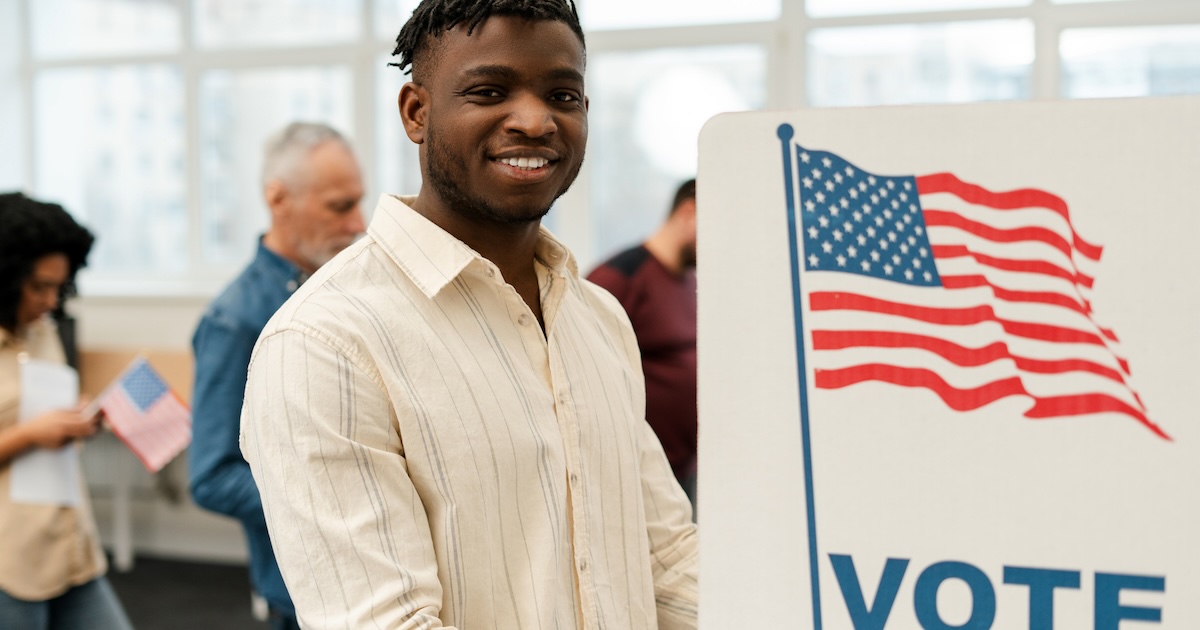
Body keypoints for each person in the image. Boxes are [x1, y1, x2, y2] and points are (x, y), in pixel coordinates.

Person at [239, 1, 699, 628]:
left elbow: (664, 557)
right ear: (416, 112)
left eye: (563, 95)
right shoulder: (326, 341)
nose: (536, 121)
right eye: (489, 91)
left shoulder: (599, 317)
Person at [188, 122, 365, 630]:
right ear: (277, 198)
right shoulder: (234, 320)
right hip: (305, 591)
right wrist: (336, 503)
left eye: (358, 202)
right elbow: (212, 476)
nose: (358, 223)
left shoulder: (340, 289)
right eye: (339, 206)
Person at [0, 192, 133, 630]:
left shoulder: (43, 330)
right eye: (39, 286)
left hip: (69, 545)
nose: (52, 301)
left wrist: (75, 416)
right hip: (10, 561)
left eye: (60, 286)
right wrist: (30, 434)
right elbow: (30, 427)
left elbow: (39, 407)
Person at [587, 179, 698, 505]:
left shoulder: (689, 281)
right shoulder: (620, 278)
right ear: (688, 212)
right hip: (634, 477)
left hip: (679, 470)